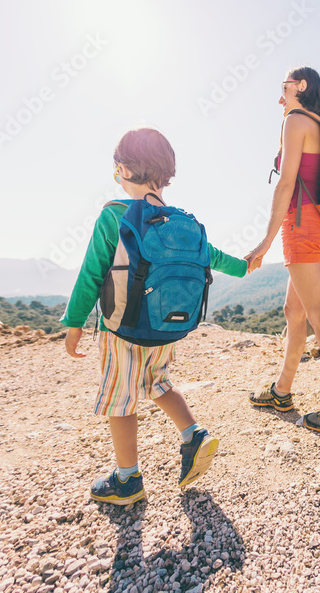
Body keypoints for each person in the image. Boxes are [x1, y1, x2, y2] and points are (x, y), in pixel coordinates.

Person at [62, 127, 248, 504]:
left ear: (125, 170)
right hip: (166, 329)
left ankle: (127, 480)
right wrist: (244, 267)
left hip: (123, 330)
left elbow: (91, 273)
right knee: (158, 382)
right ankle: (194, 434)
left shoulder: (116, 216)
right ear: (166, 174)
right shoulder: (181, 223)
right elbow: (214, 257)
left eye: (117, 170)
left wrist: (74, 323)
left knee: (121, 399)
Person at [245, 67, 320, 432]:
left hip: (302, 228)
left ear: (301, 87)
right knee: (293, 311)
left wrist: (265, 242)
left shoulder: (296, 120)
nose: (280, 98)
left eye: (284, 89)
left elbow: (285, 184)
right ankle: (282, 390)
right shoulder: (319, 124)